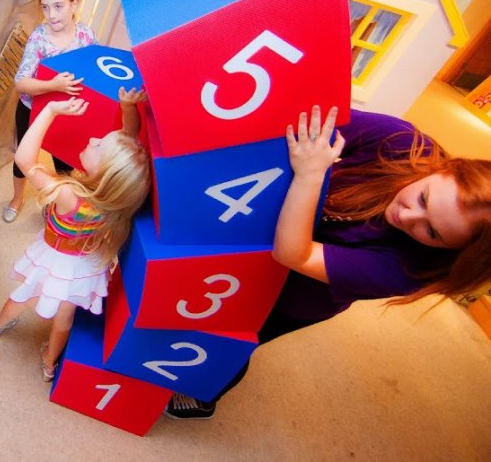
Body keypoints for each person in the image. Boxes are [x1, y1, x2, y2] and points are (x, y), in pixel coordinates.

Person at [165, 105, 491, 419]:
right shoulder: (400, 142)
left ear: (450, 250)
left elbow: (296, 255)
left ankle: (204, 398)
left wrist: (310, 174)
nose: (407, 216)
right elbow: (305, 126)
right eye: (423, 198)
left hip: (298, 296)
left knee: (235, 341)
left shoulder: (409, 269)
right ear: (447, 168)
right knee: (198, 307)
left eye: (432, 231)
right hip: (259, 245)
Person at [0, 87, 151, 381]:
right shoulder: (122, 198)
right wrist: (128, 109)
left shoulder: (69, 194)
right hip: (84, 266)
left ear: (106, 172)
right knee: (65, 318)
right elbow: (131, 144)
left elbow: (26, 161)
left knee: (25, 294)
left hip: (53, 258)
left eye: (99, 146)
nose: (93, 138)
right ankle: (50, 363)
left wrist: (49, 112)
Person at [3, 0, 97, 223]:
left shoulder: (86, 37)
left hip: (66, 111)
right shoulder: (38, 38)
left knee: (64, 164)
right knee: (24, 158)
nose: (51, 14)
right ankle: (17, 197)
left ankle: (57, 203)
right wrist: (52, 84)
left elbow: (93, 75)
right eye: (45, 7)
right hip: (32, 109)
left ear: (75, 3)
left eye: (59, 6)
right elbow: (21, 82)